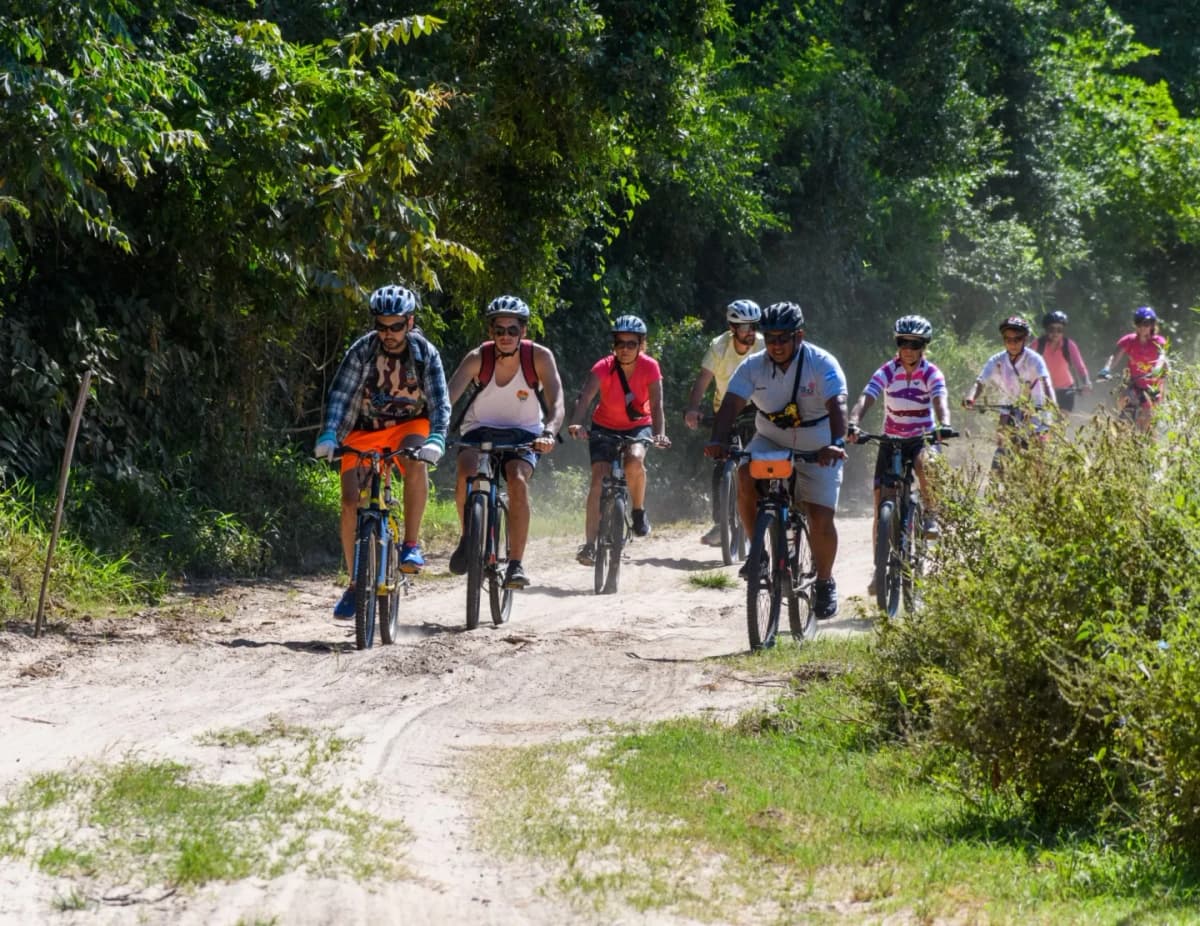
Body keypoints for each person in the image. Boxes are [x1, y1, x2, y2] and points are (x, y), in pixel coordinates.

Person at [704, 301, 848, 619]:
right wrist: (717, 439)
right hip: (770, 437)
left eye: (783, 338)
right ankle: (759, 555)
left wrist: (836, 443)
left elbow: (837, 404)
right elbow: (730, 403)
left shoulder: (821, 362)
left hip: (819, 441)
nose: (776, 345)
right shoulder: (753, 365)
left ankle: (824, 582)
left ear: (800, 336)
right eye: (770, 338)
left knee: (821, 517)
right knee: (744, 474)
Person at [314, 284, 450, 618]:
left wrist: (437, 438)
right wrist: (331, 433)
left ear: (410, 322)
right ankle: (354, 584)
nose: (388, 334)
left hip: (409, 427)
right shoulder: (362, 350)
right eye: (382, 326)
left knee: (414, 460)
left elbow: (439, 400)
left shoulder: (424, 353)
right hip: (364, 430)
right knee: (349, 500)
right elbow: (342, 394)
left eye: (396, 326)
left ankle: (411, 546)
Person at [445, 295, 565, 589]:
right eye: (500, 330)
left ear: (523, 331)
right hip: (478, 429)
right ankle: (468, 536)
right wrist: (434, 430)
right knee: (465, 471)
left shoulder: (538, 357)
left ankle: (515, 564)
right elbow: (447, 399)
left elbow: (557, 401)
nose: (506, 336)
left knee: (517, 478)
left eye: (513, 330)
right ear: (491, 332)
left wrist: (549, 431)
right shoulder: (478, 358)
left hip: (524, 432)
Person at [846, 315, 951, 563]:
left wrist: (945, 423)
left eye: (915, 344)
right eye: (903, 342)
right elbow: (867, 397)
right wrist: (853, 422)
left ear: (924, 346)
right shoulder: (887, 370)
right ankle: (879, 568)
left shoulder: (931, 373)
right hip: (891, 439)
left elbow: (940, 400)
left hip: (921, 437)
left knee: (925, 464)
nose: (908, 349)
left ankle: (930, 514)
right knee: (879, 503)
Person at [568, 315, 671, 564]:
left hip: (638, 426)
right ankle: (590, 545)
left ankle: (637, 511)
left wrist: (660, 433)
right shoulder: (603, 366)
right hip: (604, 426)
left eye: (631, 344)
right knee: (598, 480)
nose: (625, 349)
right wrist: (577, 422)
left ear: (641, 345)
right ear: (614, 345)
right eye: (620, 343)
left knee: (634, 460)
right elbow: (586, 398)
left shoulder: (650, 367)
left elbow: (656, 405)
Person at [683, 299, 765, 546]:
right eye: (743, 328)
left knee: (759, 459)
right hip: (726, 409)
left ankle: (764, 512)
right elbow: (703, 380)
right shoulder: (719, 347)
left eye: (753, 326)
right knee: (721, 463)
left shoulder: (762, 344)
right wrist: (693, 408)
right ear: (732, 328)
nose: (750, 332)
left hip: (756, 405)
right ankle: (721, 524)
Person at [962, 316, 1057, 467]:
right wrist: (971, 397)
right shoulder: (996, 360)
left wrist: (1052, 406)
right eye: (1008, 339)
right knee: (1001, 452)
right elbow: (980, 382)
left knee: (1038, 457)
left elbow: (1046, 383)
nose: (1012, 344)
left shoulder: (1035, 359)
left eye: (1017, 339)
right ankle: (1004, 483)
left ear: (1025, 339)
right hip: (1009, 409)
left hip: (1037, 411)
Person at [1097, 305, 1168, 432]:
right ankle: (1122, 439)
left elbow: (1162, 356)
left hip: (1153, 387)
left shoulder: (1158, 341)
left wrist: (1157, 369)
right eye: (1138, 323)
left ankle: (1148, 444)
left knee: (1147, 420)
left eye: (1145, 324)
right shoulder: (1129, 340)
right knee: (1122, 405)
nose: (1142, 327)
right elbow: (1115, 356)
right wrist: (1106, 369)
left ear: (1152, 324)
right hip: (1134, 384)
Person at [1034, 310, 1091, 412]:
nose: (1055, 333)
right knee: (1043, 425)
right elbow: (1025, 364)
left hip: (1066, 390)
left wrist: (1086, 382)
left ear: (1063, 330)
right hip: (1043, 391)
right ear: (1046, 330)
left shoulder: (1069, 345)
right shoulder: (1037, 345)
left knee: (1061, 425)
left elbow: (1080, 366)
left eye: (1059, 330)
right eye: (1051, 329)